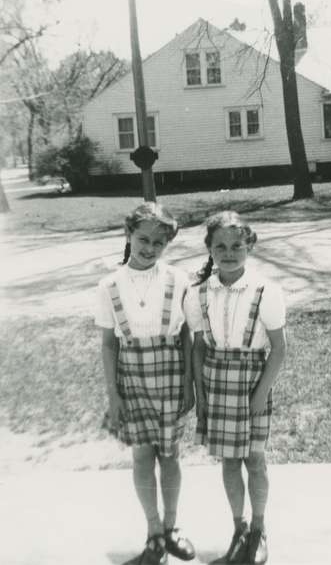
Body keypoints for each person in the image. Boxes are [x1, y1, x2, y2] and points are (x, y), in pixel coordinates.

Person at [95, 202, 195, 565]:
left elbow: (186, 334)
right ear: (128, 234)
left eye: (158, 242)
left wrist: (189, 382)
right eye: (142, 239)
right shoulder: (109, 285)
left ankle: (171, 528)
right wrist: (113, 396)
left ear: (167, 245)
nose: (149, 247)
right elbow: (108, 344)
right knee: (142, 457)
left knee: (170, 456)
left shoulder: (178, 280)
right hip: (131, 377)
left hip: (170, 374)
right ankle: (152, 531)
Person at [185, 211, 286, 565]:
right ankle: (238, 529)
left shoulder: (266, 290)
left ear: (250, 246)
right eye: (220, 246)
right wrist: (201, 395)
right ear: (210, 250)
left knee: (255, 460)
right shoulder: (199, 293)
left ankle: (259, 530)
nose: (229, 253)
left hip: (253, 381)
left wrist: (260, 393)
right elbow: (198, 347)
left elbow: (280, 348)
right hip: (217, 382)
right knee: (229, 462)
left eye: (236, 245)